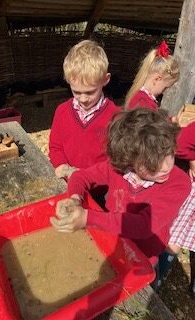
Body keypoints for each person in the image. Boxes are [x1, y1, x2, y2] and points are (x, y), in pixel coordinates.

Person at [50, 108, 191, 271]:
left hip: (144, 256)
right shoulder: (117, 169)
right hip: (111, 241)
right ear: (129, 161)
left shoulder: (179, 183)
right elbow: (80, 177)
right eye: (152, 165)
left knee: (144, 291)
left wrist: (87, 218)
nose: (166, 167)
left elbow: (145, 225)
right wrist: (74, 199)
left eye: (170, 154)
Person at [49, 39, 120, 179]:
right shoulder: (62, 111)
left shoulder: (116, 117)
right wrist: (62, 166)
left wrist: (87, 177)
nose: (83, 99)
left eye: (90, 92)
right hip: (68, 182)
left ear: (105, 80)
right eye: (76, 92)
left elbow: (117, 159)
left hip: (100, 188)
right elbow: (55, 147)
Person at [124, 40, 179, 111]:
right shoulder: (143, 105)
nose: (163, 92)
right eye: (165, 87)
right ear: (157, 79)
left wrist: (174, 119)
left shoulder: (143, 99)